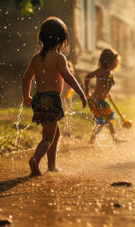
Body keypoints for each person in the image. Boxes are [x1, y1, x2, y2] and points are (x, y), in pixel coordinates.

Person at [23, 17, 87, 177]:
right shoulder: (59, 58)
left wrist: (26, 95)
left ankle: (51, 166)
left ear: (41, 38)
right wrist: (81, 93)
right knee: (47, 138)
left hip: (38, 98)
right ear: (62, 39)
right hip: (52, 99)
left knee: (55, 134)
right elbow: (69, 77)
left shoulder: (36, 58)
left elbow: (26, 78)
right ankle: (35, 159)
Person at [85, 48, 121, 144]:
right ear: (107, 61)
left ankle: (113, 138)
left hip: (102, 100)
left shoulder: (110, 74)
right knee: (102, 121)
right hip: (95, 100)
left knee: (109, 119)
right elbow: (87, 77)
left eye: (116, 62)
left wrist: (107, 93)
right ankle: (93, 140)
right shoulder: (100, 71)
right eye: (114, 62)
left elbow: (106, 85)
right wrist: (86, 92)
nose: (116, 64)